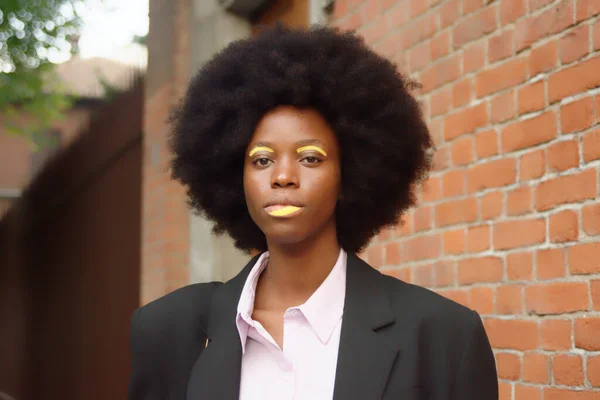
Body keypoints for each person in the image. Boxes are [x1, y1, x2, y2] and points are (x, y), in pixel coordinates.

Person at [128, 25, 498, 400]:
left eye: (309, 158)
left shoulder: (443, 336)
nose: (283, 176)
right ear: (233, 175)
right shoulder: (167, 331)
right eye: (262, 159)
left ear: (349, 174)